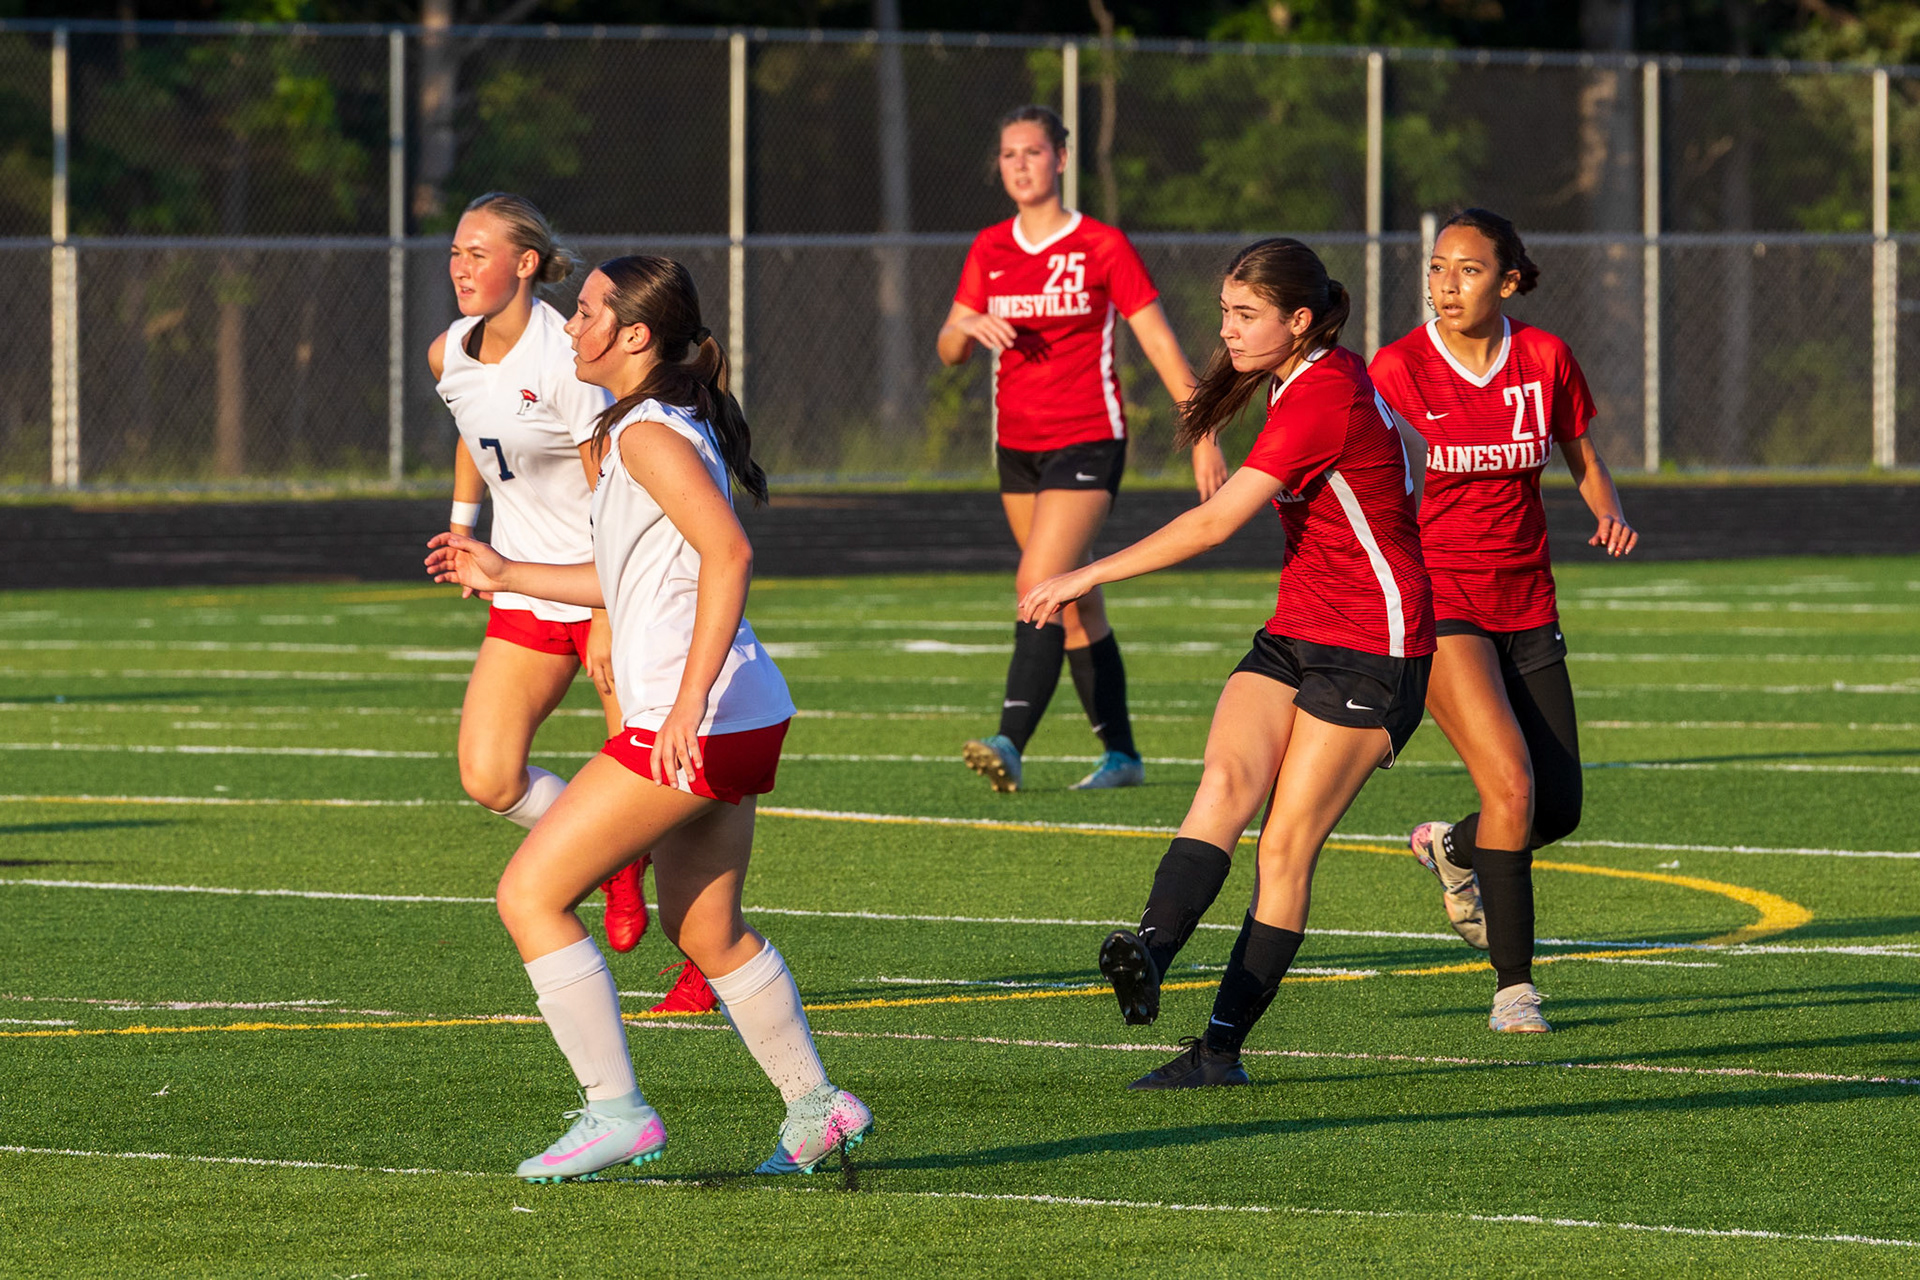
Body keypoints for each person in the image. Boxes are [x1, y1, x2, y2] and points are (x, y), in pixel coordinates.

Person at [426, 255, 872, 1181]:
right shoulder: (643, 423)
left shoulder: (643, 434)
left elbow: (729, 554)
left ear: (633, 335)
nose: (571, 323)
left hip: (697, 715)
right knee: (706, 932)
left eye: (588, 310)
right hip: (740, 714)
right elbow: (623, 576)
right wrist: (504, 572)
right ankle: (817, 1107)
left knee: (529, 896)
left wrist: (685, 702)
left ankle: (616, 1112)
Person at [1021, 238, 1434, 1089]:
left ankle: (1219, 1051)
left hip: (1374, 650)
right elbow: (1406, 458)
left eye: (1246, 315)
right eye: (1224, 313)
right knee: (1224, 781)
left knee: (1284, 846)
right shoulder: (1309, 375)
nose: (1228, 331)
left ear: (1300, 320)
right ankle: (1149, 952)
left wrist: (1083, 574)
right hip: (1298, 629)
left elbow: (1213, 526)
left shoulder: (1322, 395)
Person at [432, 191, 713, 1013]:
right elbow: (472, 426)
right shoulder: (448, 351)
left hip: (606, 590)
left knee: (669, 779)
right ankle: (616, 861)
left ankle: (706, 958)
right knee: (488, 776)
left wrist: (604, 613)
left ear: (526, 264)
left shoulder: (569, 355)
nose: (460, 267)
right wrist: (462, 528)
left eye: (478, 253)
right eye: (455, 252)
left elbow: (607, 483)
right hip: (524, 584)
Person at [1368, 207, 1637, 1034]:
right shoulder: (1398, 368)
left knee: (1557, 809)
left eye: (1469, 269)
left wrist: (1608, 510)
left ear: (1509, 280)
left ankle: (1451, 847)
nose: (1447, 285)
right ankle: (1514, 990)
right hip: (1443, 602)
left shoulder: (1545, 357)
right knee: (1511, 786)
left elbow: (1581, 452)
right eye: (1437, 268)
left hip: (1529, 601)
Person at [937, 105, 1226, 793]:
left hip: (1088, 439)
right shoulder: (990, 249)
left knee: (1038, 584)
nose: (1020, 164)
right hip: (1017, 449)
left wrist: (1203, 432)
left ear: (1061, 159)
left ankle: (1009, 741)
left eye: (1033, 151)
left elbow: (1159, 342)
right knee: (1076, 603)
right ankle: (1123, 757)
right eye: (1009, 154)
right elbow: (949, 348)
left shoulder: (1100, 244)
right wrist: (967, 326)